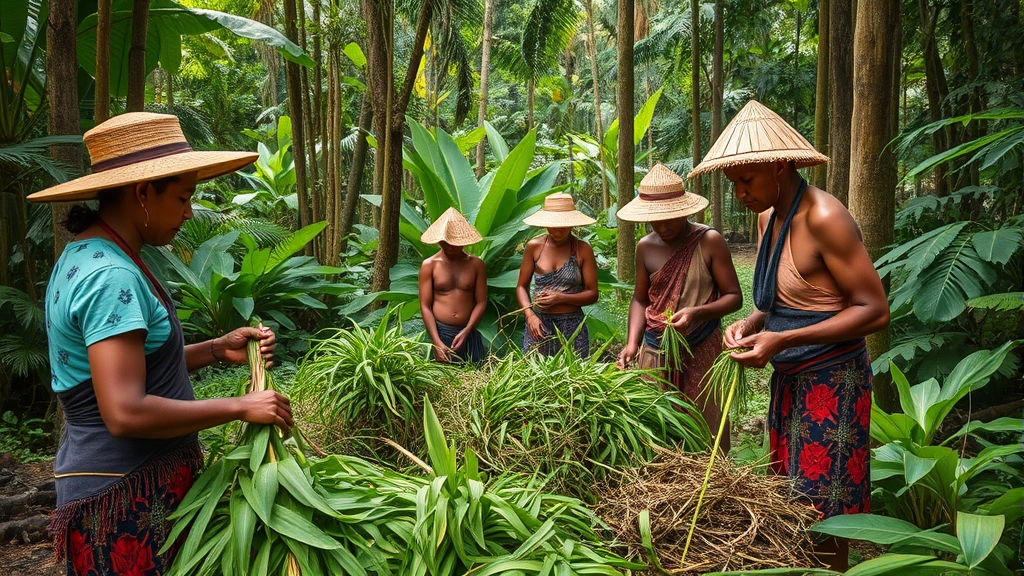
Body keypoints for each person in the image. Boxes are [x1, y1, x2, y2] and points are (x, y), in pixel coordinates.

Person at [27, 112, 294, 576]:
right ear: (142, 193)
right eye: (183, 197)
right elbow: (125, 410)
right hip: (124, 495)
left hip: (122, 483)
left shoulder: (92, 252)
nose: (189, 212)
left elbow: (120, 370)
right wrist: (240, 405)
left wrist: (216, 349)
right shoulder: (111, 275)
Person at [689, 100, 890, 570]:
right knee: (791, 498)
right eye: (732, 183)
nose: (739, 192)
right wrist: (754, 324)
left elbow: (874, 310)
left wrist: (780, 340)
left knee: (826, 507)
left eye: (747, 180)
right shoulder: (767, 219)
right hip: (789, 380)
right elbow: (776, 301)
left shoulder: (824, 217)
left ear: (780, 166)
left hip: (833, 381)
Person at [615, 164, 742, 451]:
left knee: (705, 422)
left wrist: (699, 313)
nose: (663, 226)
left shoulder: (709, 242)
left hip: (701, 347)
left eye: (670, 218)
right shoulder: (645, 247)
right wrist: (632, 344)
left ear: (685, 210)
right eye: (655, 220)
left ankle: (712, 488)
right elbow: (640, 299)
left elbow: (734, 296)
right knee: (656, 426)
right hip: (655, 349)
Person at [516, 193, 599, 357]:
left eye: (562, 226)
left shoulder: (582, 250)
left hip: (572, 325)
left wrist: (561, 298)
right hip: (539, 323)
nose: (557, 231)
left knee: (573, 378)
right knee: (536, 376)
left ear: (572, 225)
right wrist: (530, 315)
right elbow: (521, 287)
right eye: (552, 226)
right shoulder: (535, 247)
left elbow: (593, 293)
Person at [418, 207, 488, 363]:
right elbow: (425, 305)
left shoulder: (476, 265)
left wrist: (467, 329)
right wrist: (436, 342)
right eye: (444, 242)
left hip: (469, 331)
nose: (448, 246)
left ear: (462, 241)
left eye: (452, 242)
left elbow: (481, 301)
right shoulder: (430, 265)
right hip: (440, 331)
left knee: (475, 379)